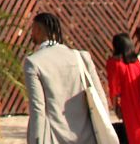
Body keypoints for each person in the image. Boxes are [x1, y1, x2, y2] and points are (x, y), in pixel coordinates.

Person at [23, 12, 102, 144]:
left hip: (54, 137)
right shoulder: (81, 57)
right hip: (87, 136)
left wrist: (35, 139)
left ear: (37, 29)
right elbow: (99, 96)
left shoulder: (33, 62)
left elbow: (38, 108)